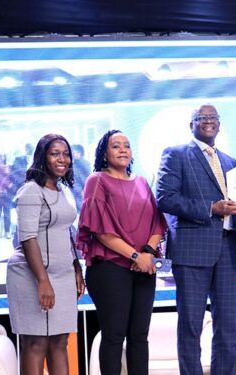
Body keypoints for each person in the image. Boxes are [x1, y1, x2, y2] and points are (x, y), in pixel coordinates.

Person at [156, 104, 236, 375]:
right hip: (192, 251)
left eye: (213, 118)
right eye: (202, 117)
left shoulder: (231, 162)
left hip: (229, 250)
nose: (208, 122)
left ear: (219, 124)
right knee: (191, 326)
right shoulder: (176, 155)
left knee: (228, 328)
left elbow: (233, 206)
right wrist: (211, 208)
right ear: (191, 124)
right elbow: (165, 198)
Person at [78, 130, 168, 375]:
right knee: (114, 335)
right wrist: (136, 256)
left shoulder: (141, 182)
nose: (123, 150)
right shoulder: (96, 181)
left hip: (145, 268)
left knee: (139, 336)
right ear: (104, 154)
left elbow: (157, 224)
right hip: (110, 269)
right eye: (116, 146)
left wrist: (148, 252)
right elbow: (99, 231)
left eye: (126, 146)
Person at [6, 134, 85, 375]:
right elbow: (28, 237)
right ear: (42, 157)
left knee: (60, 342)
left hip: (62, 275)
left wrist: (77, 267)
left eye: (65, 154)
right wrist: (43, 281)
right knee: (35, 343)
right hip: (33, 277)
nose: (62, 159)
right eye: (55, 153)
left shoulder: (63, 190)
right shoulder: (31, 190)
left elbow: (66, 231)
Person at [70, 143, 91, 212]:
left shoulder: (84, 163)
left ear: (80, 153)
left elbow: (87, 178)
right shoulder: (73, 164)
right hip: (76, 191)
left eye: (74, 153)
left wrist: (84, 189)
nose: (72, 155)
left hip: (81, 191)